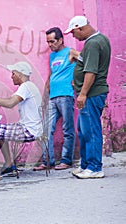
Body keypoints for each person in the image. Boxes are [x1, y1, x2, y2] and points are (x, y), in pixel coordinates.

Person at [64, 15, 111, 178]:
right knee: (83, 130)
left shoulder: (92, 43)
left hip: (91, 94)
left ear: (80, 28)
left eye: (73, 32)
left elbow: (91, 71)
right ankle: (86, 165)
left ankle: (94, 167)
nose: (73, 36)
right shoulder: (98, 40)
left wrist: (82, 93)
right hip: (90, 93)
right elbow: (86, 66)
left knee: (90, 130)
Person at [0, 61, 43, 175]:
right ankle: (8, 163)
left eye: (13, 74)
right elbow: (6, 101)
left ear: (20, 75)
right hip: (30, 128)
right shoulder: (27, 86)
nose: (11, 76)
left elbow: (10, 104)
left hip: (29, 130)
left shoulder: (26, 86)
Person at [33, 27, 76, 171]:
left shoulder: (70, 52)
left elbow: (87, 60)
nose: (50, 45)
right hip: (53, 97)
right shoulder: (52, 56)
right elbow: (50, 76)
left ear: (61, 40)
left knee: (67, 129)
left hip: (66, 96)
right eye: (48, 42)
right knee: (46, 129)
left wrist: (77, 78)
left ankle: (66, 160)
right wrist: (45, 96)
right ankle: (48, 161)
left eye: (52, 41)